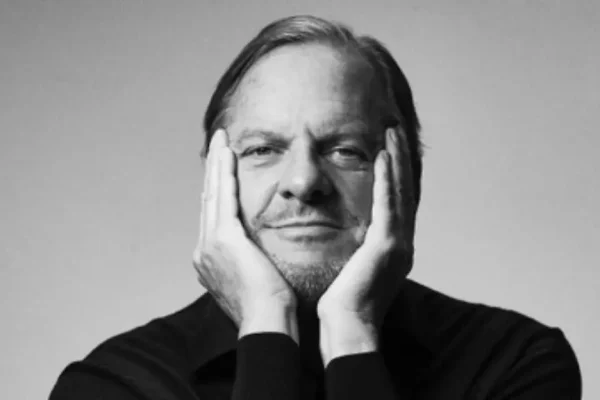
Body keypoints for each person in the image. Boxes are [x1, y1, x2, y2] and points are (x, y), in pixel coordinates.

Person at [49, 15, 582, 400]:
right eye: (263, 149)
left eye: (345, 150)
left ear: (408, 179)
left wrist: (352, 328)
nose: (304, 182)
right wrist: (267, 323)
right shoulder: (113, 384)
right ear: (214, 182)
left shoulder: (514, 363)